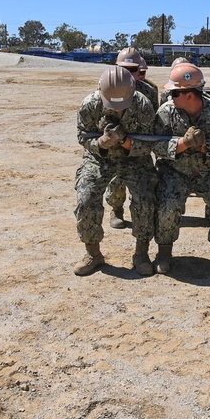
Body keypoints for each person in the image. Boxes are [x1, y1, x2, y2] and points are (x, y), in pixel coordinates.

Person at [153, 63, 210, 275]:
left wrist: (205, 148)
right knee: (167, 203)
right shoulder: (166, 113)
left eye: (174, 92)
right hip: (175, 170)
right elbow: (155, 144)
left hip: (209, 170)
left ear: (190, 94)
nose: (169, 95)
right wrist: (183, 143)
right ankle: (164, 250)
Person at [74, 66, 158, 276]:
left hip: (134, 158)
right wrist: (101, 143)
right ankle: (93, 253)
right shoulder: (89, 105)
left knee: (146, 198)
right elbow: (83, 136)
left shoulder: (143, 105)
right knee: (86, 198)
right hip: (100, 158)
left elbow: (150, 143)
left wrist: (125, 141)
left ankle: (141, 254)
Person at [105, 48, 159, 229]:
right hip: (114, 144)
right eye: (123, 69)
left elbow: (153, 123)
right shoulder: (107, 86)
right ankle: (116, 209)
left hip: (137, 146)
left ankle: (142, 214)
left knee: (146, 182)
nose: (128, 74)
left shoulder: (149, 92)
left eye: (133, 69)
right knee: (115, 180)